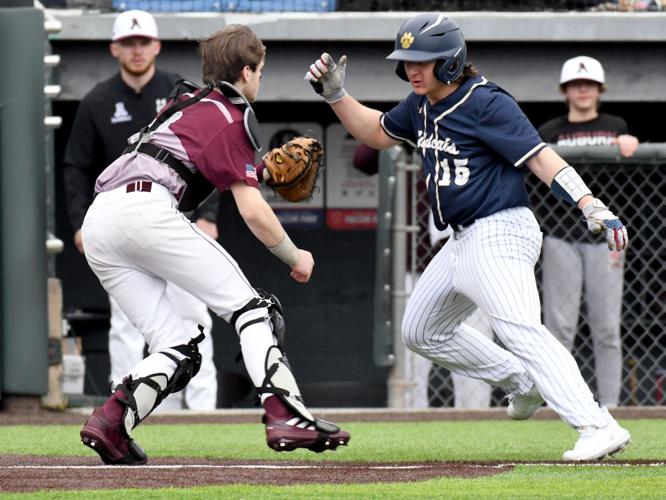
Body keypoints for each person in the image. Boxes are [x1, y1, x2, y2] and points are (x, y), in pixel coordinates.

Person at [305, 13, 630, 460]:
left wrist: (589, 203)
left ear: (452, 62)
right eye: (406, 61)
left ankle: (596, 424)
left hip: (501, 229)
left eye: (423, 61)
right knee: (421, 330)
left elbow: (540, 158)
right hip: (460, 239)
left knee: (518, 327)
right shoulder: (420, 103)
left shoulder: (486, 101)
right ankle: (522, 381)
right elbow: (377, 134)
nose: (412, 70)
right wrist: (337, 96)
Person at [78, 23, 350, 465]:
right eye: (259, 70)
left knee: (177, 344)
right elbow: (254, 212)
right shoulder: (231, 113)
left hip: (101, 221)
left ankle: (112, 422)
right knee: (254, 310)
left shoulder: (184, 101)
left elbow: (193, 163)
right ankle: (286, 413)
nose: (260, 79)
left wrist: (256, 172)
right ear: (246, 71)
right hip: (147, 211)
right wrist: (295, 256)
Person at [62, 10, 218, 411]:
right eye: (129, 43)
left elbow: (211, 153)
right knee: (129, 325)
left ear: (157, 45)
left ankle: (203, 416)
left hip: (178, 220)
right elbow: (76, 167)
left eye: (143, 42)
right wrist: (80, 222)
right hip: (123, 228)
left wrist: (209, 215)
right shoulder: (98, 99)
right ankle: (129, 411)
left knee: (194, 317)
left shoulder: (179, 93)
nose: (137, 50)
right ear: (115, 48)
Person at [537, 56, 639, 409]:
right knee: (559, 328)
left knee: (607, 328)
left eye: (590, 84)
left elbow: (631, 183)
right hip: (561, 233)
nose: (583, 90)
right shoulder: (549, 132)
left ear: (599, 90)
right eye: (576, 85)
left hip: (605, 237)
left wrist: (628, 144)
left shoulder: (615, 125)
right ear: (566, 91)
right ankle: (559, 403)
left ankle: (608, 406)